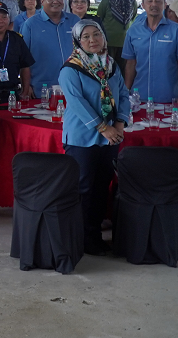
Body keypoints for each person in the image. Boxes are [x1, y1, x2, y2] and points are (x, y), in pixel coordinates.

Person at [58, 19, 131, 255]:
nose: (92, 40)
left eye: (96, 35)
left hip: (110, 138)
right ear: (78, 42)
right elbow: (77, 103)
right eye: (86, 37)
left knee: (101, 187)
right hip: (82, 138)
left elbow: (123, 95)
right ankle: (81, 238)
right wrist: (103, 127)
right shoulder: (71, 68)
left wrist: (119, 123)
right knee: (84, 189)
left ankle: (94, 235)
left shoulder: (110, 66)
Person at [122, 0, 178, 104]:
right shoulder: (133, 31)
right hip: (139, 97)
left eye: (158, 1)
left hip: (169, 98)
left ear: (164, 5)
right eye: (150, 1)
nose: (154, 4)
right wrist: (126, 92)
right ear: (143, 5)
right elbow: (130, 63)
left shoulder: (177, 31)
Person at [20, 0, 81, 93]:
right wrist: (26, 86)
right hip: (42, 88)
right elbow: (23, 59)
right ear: (42, 1)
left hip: (72, 86)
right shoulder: (30, 24)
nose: (55, 1)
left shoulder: (74, 21)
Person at [0, 1, 34, 102]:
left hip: (13, 94)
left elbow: (25, 66)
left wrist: (25, 91)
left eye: (4, 17)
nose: (0, 21)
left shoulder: (16, 39)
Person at [96, 0, 137, 65]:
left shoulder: (132, 2)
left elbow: (133, 18)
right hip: (108, 41)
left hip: (125, 42)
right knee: (108, 66)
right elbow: (99, 19)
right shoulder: (107, 1)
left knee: (123, 67)